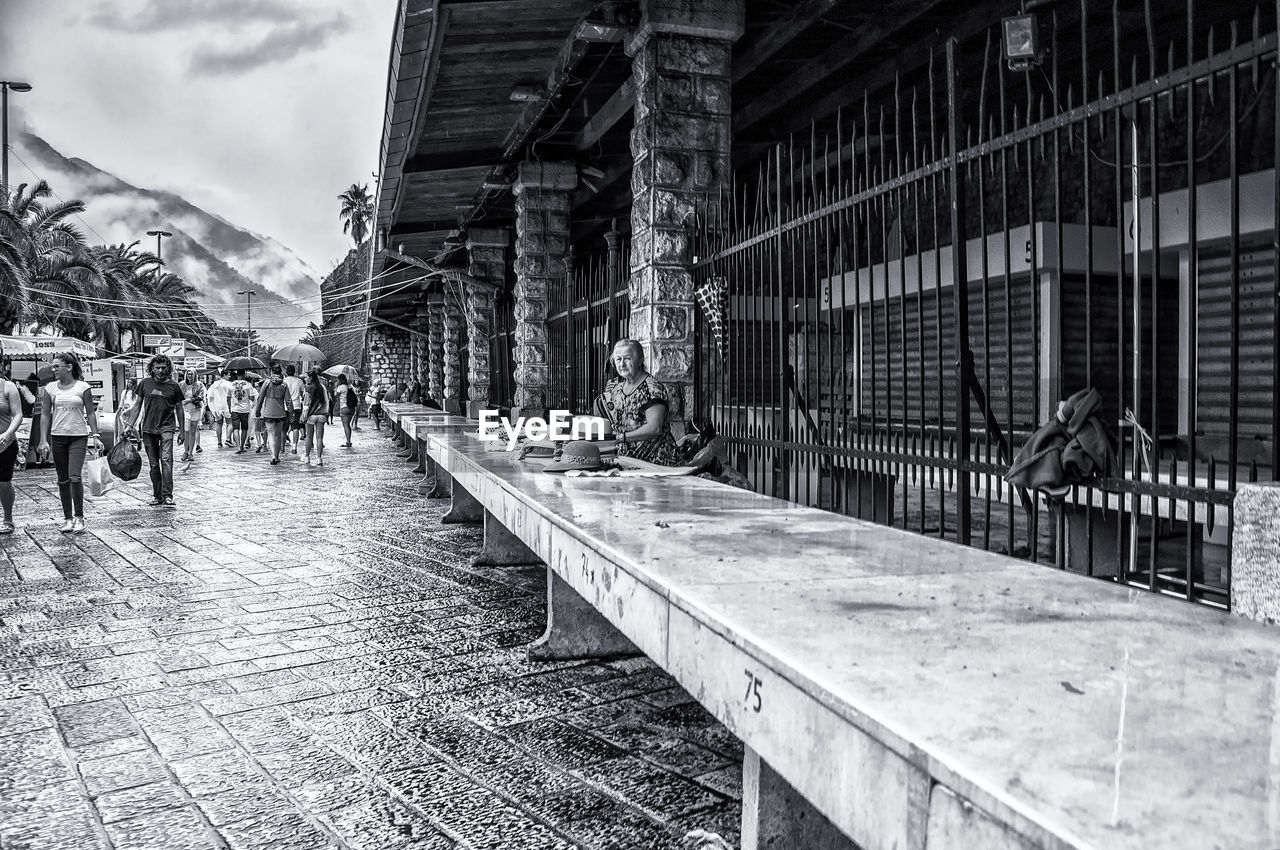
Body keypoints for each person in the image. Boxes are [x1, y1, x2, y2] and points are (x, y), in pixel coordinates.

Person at [37, 352, 102, 531]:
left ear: (69, 367)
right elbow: (45, 414)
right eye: (53, 366)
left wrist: (95, 436)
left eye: (57, 366)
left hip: (78, 437)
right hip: (57, 436)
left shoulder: (83, 387)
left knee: (74, 476)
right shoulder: (50, 388)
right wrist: (43, 439)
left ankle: (79, 517)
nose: (54, 369)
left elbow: (90, 413)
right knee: (62, 479)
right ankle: (67, 518)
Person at [595, 339, 681, 466]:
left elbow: (655, 428)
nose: (622, 364)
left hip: (657, 464)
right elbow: (606, 416)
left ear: (640, 360)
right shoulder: (616, 388)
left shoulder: (652, 389)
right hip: (627, 462)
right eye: (618, 359)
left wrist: (621, 437)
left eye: (627, 358)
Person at [123, 354, 185, 508]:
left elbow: (179, 409)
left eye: (163, 368)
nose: (160, 371)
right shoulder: (145, 383)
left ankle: (167, 495)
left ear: (168, 368)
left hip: (167, 427)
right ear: (151, 368)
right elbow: (137, 405)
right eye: (157, 368)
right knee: (153, 464)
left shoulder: (174, 386)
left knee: (166, 460)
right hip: (148, 428)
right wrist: (130, 425)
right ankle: (157, 495)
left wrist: (182, 430)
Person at [0, 363, 25, 534]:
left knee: (3, 482)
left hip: (4, 444)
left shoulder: (7, 386)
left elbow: (18, 414)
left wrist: (8, 433)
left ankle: (8, 518)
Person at [252, 367, 295, 465]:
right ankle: (277, 455)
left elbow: (261, 397)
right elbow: (288, 400)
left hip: (268, 412)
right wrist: (291, 412)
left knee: (271, 434)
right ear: (281, 373)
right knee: (278, 434)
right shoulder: (284, 384)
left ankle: (273, 456)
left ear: (272, 372)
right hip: (280, 412)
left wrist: (258, 411)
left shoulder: (267, 383)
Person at [302, 370, 329, 466]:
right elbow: (327, 401)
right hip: (322, 414)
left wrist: (304, 416)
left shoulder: (308, 388)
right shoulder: (322, 387)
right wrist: (326, 413)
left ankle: (307, 457)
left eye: (306, 377)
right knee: (319, 437)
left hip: (311, 415)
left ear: (311, 378)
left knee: (309, 436)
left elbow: (306, 404)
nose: (305, 379)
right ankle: (319, 458)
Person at [179, 369, 205, 462]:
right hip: (185, 410)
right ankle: (185, 451)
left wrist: (190, 400)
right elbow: (177, 396)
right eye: (188, 374)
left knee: (193, 431)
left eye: (191, 374)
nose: (190, 376)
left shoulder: (199, 385)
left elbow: (201, 397)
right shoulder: (181, 384)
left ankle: (190, 453)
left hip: (195, 409)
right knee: (186, 431)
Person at [228, 370, 256, 453]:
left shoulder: (231, 385)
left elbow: (228, 397)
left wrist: (230, 407)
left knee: (236, 428)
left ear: (237, 375)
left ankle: (238, 447)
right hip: (245, 409)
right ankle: (242, 446)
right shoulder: (248, 385)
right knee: (244, 428)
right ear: (244, 374)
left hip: (234, 409)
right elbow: (252, 398)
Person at [282, 365, 306, 454]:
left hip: (285, 407)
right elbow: (303, 394)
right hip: (296, 406)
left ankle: (282, 447)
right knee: (296, 427)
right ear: (294, 372)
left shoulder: (283, 381)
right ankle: (294, 447)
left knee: (283, 428)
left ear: (286, 372)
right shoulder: (299, 381)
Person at [207, 371, 233, 447]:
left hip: (217, 406)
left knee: (219, 424)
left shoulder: (214, 385)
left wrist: (213, 407)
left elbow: (210, 396)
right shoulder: (229, 384)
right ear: (224, 375)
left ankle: (219, 442)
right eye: (228, 375)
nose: (229, 377)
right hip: (227, 405)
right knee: (230, 423)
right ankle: (228, 439)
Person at [335, 374, 357, 447]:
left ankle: (348, 442)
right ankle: (349, 440)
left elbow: (335, 395)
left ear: (340, 380)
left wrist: (336, 387)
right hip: (351, 408)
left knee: (346, 425)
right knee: (348, 425)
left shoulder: (340, 387)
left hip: (344, 407)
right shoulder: (349, 387)